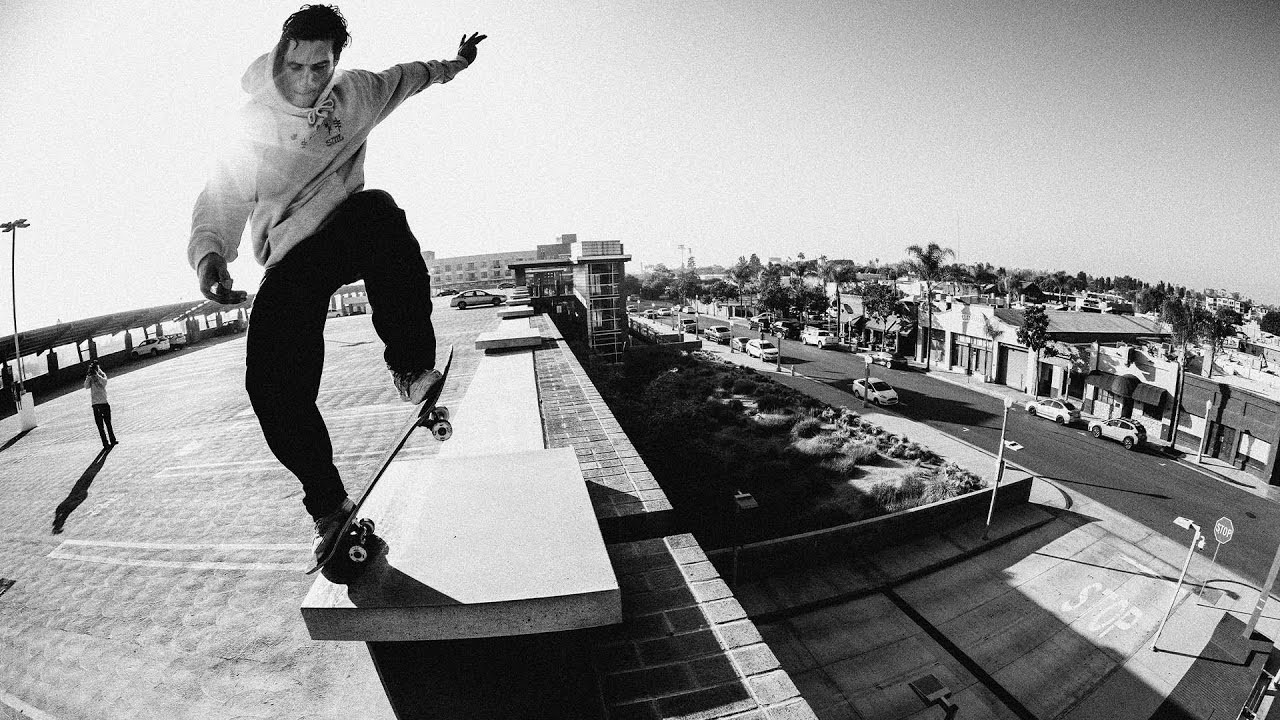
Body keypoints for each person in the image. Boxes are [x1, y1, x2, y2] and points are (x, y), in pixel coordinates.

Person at [187, 4, 485, 565]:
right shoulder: (252, 123)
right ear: (280, 56)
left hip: (348, 230)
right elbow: (221, 196)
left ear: (336, 61)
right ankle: (329, 506)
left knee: (381, 212)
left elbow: (412, 76)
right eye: (294, 67)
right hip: (291, 259)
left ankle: (410, 366)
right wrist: (210, 256)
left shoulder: (359, 94)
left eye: (318, 68)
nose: (305, 81)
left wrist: (458, 62)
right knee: (270, 387)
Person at [84, 362, 118, 448]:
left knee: (108, 423)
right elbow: (86, 386)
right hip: (96, 404)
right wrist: (89, 376)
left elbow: (104, 382)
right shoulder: (90, 377)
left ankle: (112, 440)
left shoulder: (102, 375)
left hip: (104, 402)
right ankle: (105, 443)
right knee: (100, 426)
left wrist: (97, 375)